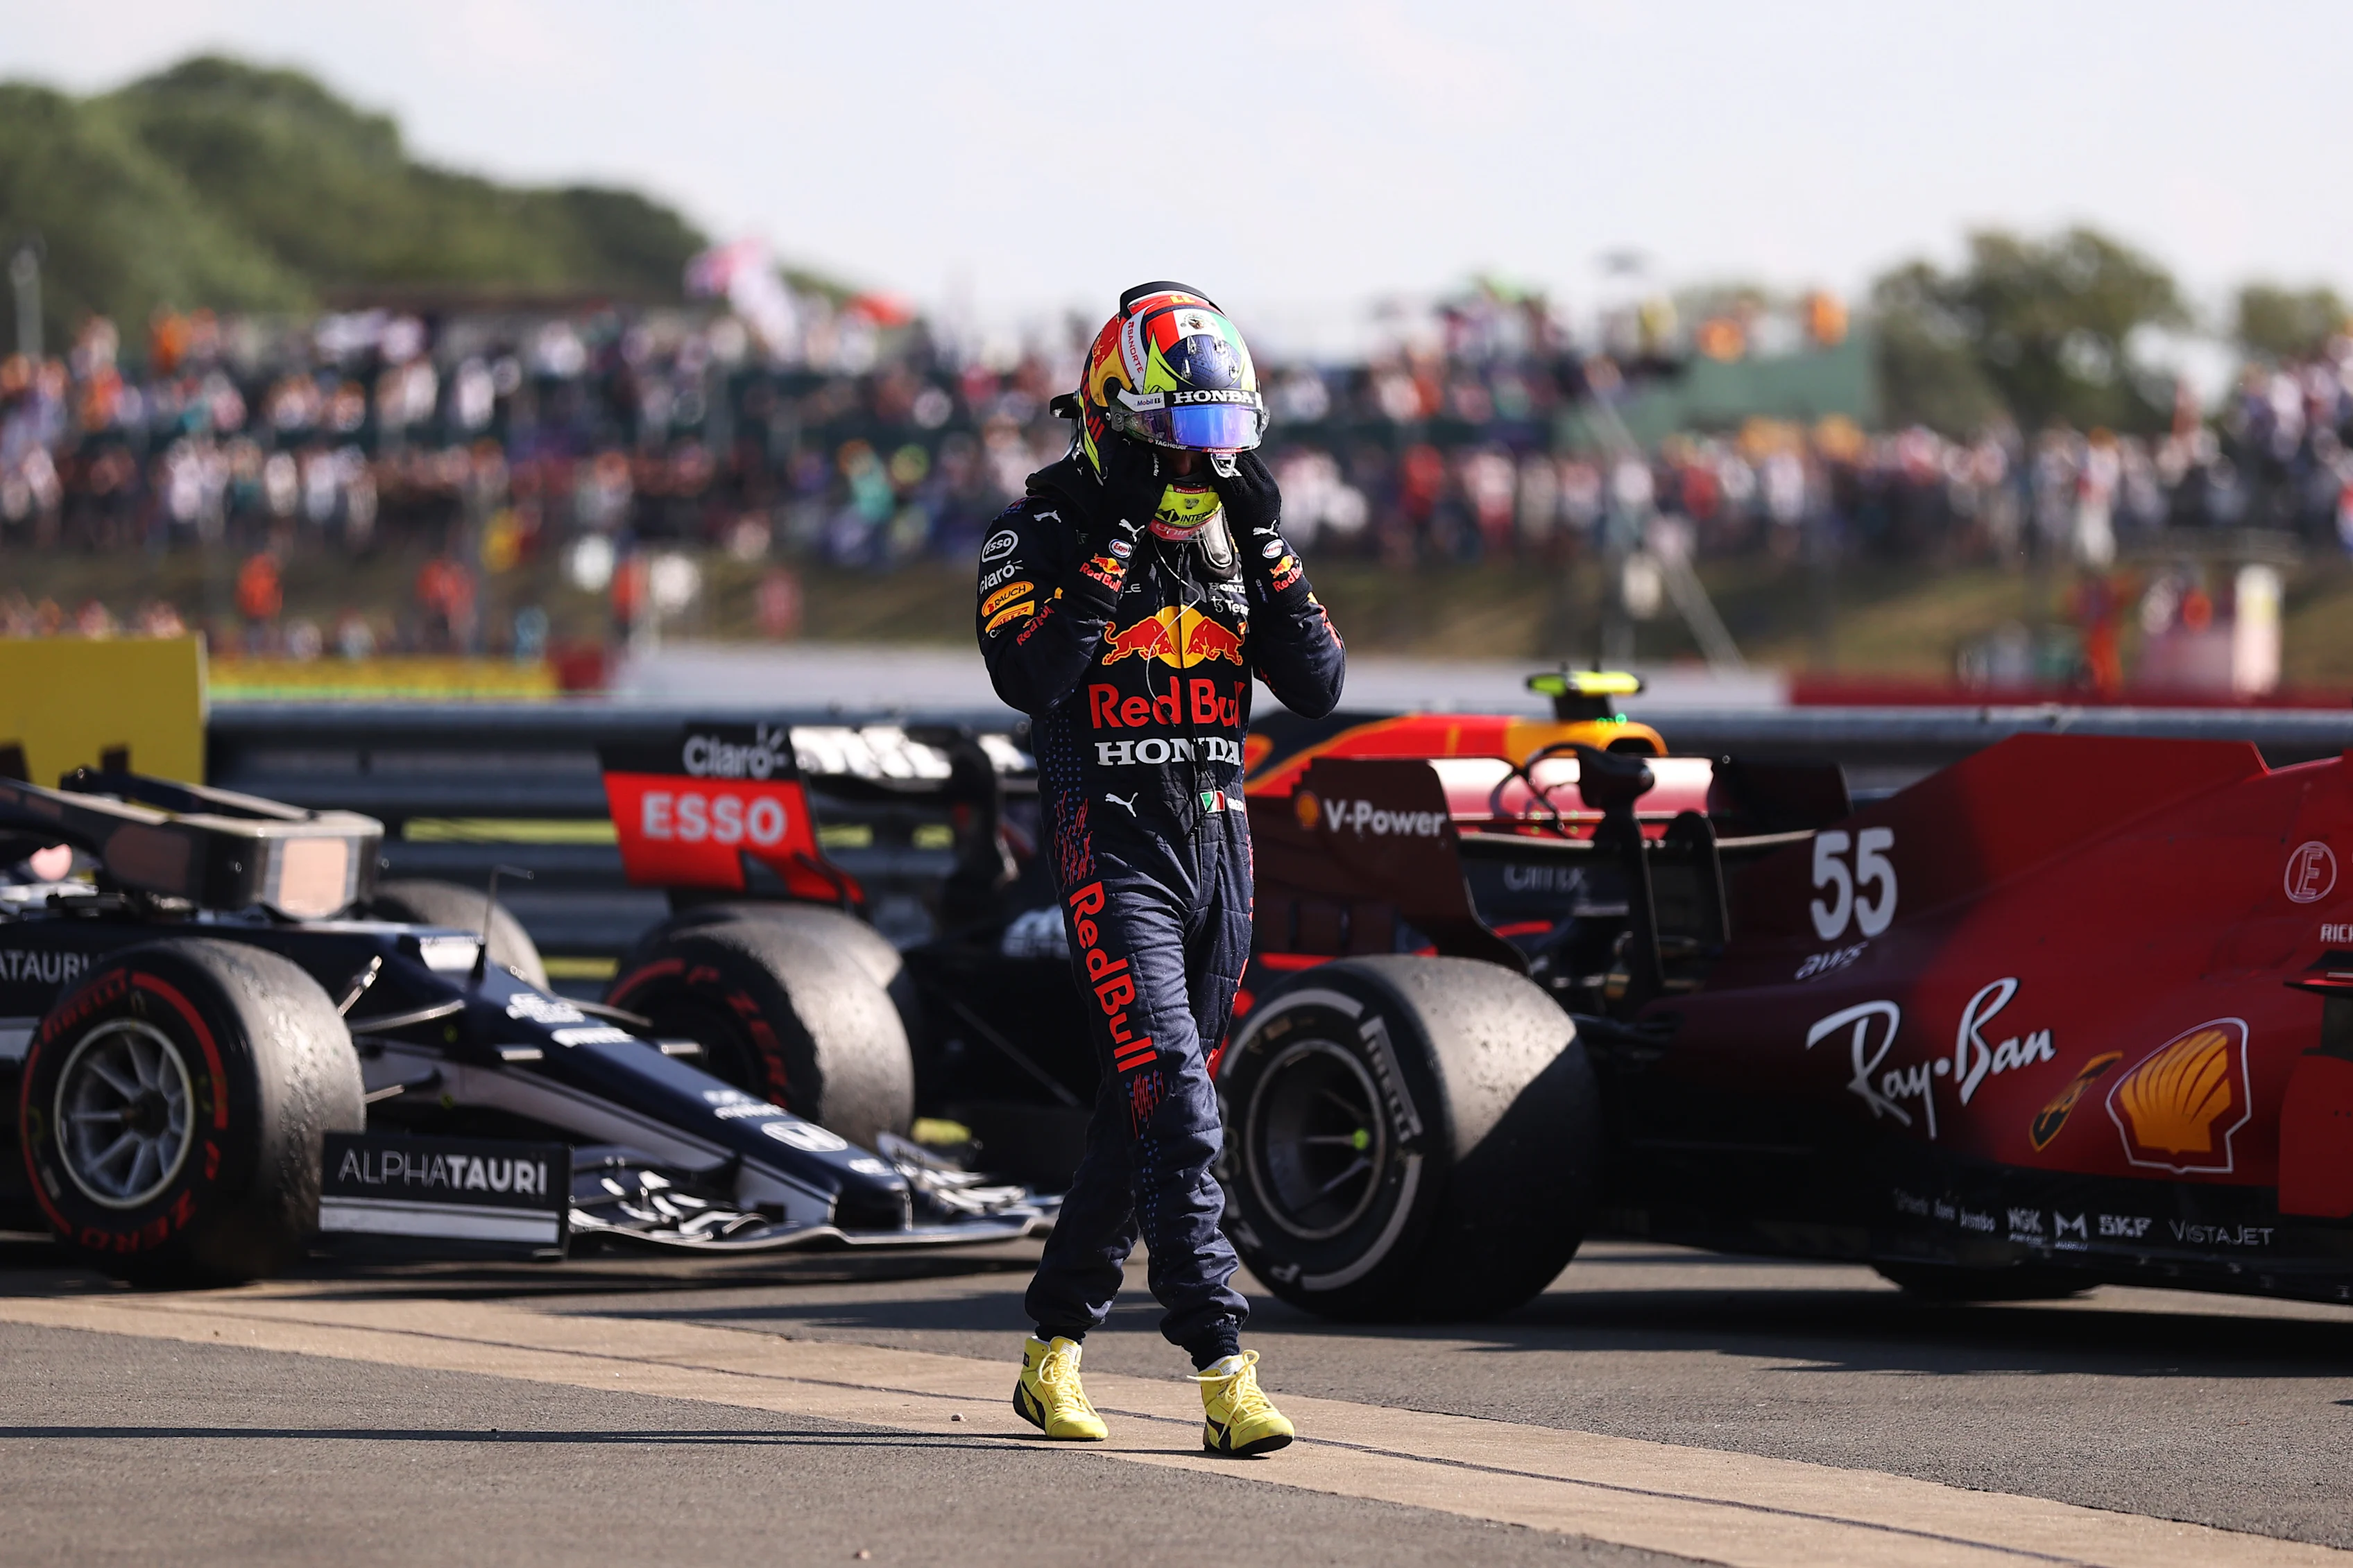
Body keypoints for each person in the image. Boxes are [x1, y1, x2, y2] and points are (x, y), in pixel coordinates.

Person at [975, 283, 1344, 1456]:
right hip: (1111, 846)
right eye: (1186, 440)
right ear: (1120, 424)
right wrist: (1119, 536)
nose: (1207, 466)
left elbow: (1323, 684)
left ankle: (1051, 1355)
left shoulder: (1238, 529)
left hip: (1221, 851)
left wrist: (1271, 539)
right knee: (1182, 1109)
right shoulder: (1034, 532)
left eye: (1226, 441)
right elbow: (1033, 679)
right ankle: (1225, 1373)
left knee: (1138, 1118)